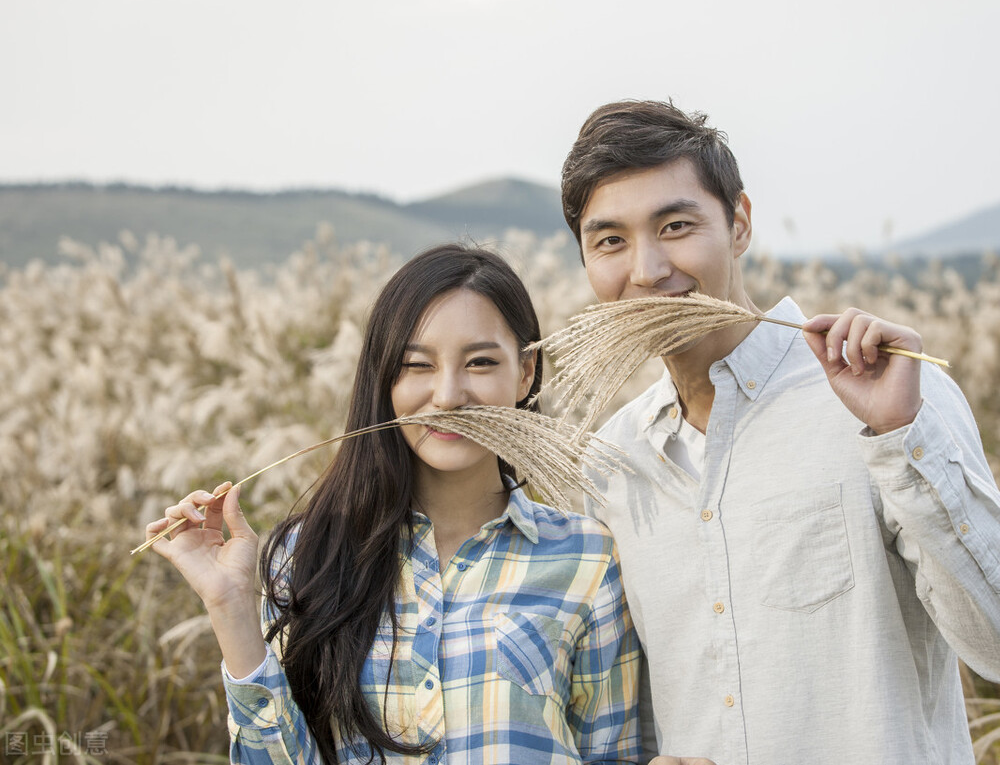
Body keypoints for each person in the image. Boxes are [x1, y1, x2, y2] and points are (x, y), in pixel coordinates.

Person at [558, 101, 1000, 764]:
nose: (648, 269)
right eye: (610, 241)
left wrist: (900, 435)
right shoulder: (613, 461)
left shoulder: (881, 397)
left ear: (739, 223)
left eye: (676, 225)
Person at [145, 243, 642, 764]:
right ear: (384, 379)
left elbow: (616, 755)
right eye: (416, 366)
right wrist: (230, 610)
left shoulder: (587, 559)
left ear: (525, 372)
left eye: (480, 362)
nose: (448, 396)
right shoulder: (310, 556)